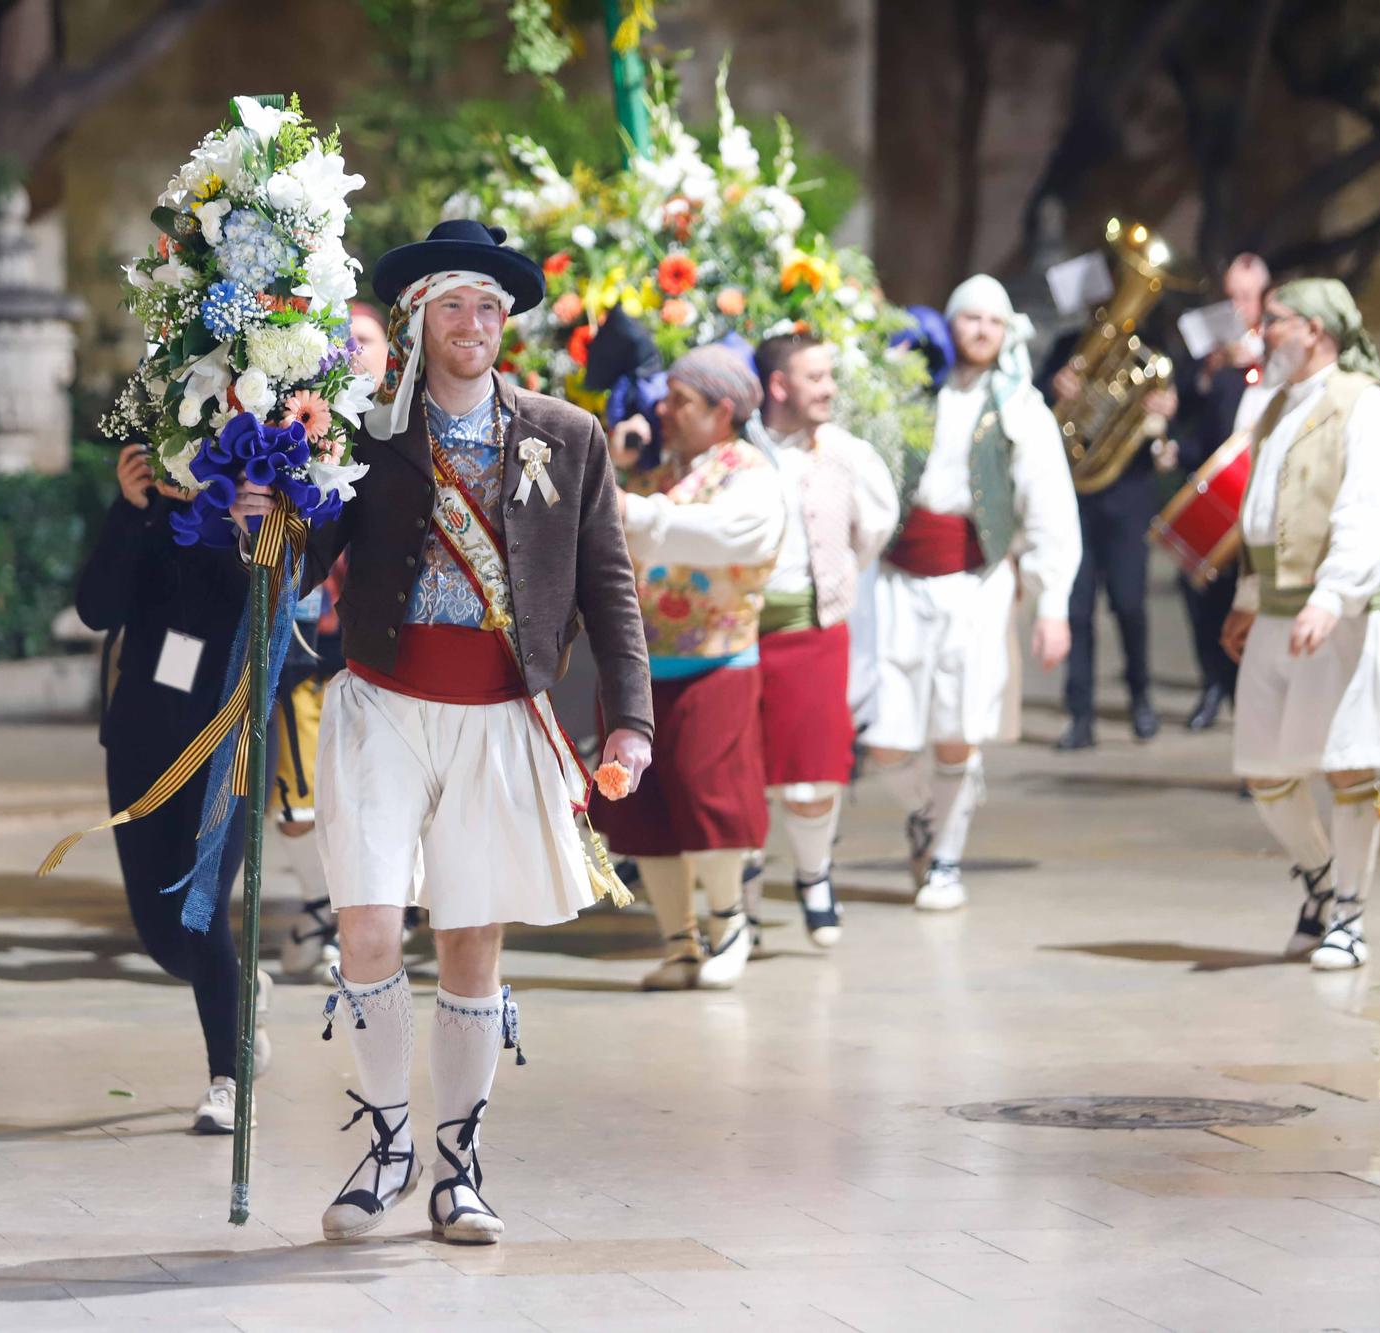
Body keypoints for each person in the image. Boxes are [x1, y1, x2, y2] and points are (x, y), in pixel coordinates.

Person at [229, 218, 652, 1246]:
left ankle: (458, 1161)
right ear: (418, 317)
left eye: (490, 307)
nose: (474, 323)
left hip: (500, 717)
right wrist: (263, 517)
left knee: (470, 939)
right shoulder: (365, 434)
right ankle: (385, 1144)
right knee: (369, 925)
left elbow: (610, 586)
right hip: (377, 706)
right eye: (453, 304)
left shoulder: (566, 434)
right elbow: (303, 545)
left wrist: (629, 723)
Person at [74, 442, 271, 1134]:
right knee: (161, 935)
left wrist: (237, 520)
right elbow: (95, 607)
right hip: (140, 736)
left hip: (226, 738)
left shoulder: (254, 507)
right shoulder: (144, 509)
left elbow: (276, 603)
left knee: (200, 907)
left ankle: (228, 1076)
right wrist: (132, 510)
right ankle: (240, 993)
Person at [1220, 278, 1380, 971]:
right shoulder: (1277, 405)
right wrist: (1247, 595)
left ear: (1315, 329)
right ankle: (1323, 879)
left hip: (1341, 615)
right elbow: (1263, 512)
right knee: (1265, 769)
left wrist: (1332, 596)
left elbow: (1367, 510)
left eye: (1273, 320)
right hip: (1276, 607)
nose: (1262, 330)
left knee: (1347, 765)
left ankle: (1351, 919)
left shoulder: (1370, 406)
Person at [867, 276, 1081, 911]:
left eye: (995, 320)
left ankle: (946, 861)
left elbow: (1049, 508)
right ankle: (927, 815)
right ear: (950, 325)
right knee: (886, 737)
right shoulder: (906, 396)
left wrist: (1053, 604)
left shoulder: (1021, 408)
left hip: (976, 580)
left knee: (959, 723)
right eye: (970, 318)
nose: (982, 330)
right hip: (899, 579)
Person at [594, 345, 779, 991]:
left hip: (714, 662)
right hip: (639, 666)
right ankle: (679, 944)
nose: (664, 410)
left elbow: (727, 534)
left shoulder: (751, 472)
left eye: (681, 401)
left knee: (712, 798)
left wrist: (634, 508)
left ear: (723, 410)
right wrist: (615, 466)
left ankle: (729, 924)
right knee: (642, 810)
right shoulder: (658, 467)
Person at [743, 332, 899, 950]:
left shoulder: (846, 454)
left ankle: (815, 878)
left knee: (811, 774)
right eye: (816, 378)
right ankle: (741, 905)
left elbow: (875, 528)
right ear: (779, 386)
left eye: (829, 376)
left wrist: (833, 581)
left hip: (813, 632)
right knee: (742, 773)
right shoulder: (741, 452)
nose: (829, 388)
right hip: (740, 634)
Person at [273, 302, 387, 985]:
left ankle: (348, 924)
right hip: (306, 645)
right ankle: (322, 907)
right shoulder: (296, 423)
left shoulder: (405, 428)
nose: (351, 348)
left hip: (382, 654)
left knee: (372, 805)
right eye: (340, 338)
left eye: (364, 338)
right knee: (298, 805)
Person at [1044, 337, 1178, 749]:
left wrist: (1169, 408)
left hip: (1128, 492)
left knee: (1129, 603)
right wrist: (1055, 387)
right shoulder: (1068, 344)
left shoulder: (1151, 348)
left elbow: (1187, 404)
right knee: (1078, 607)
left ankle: (1141, 698)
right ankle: (1080, 716)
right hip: (1075, 496)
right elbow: (1035, 396)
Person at [1176, 253, 1271, 730]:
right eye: (1230, 296)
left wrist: (1251, 363)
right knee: (1198, 594)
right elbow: (1195, 420)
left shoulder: (1275, 354)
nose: (1237, 306)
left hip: (1257, 509)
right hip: (1215, 498)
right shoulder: (1212, 358)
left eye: (1246, 297)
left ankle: (1250, 713)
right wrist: (1209, 373)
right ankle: (1214, 683)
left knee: (1248, 610)